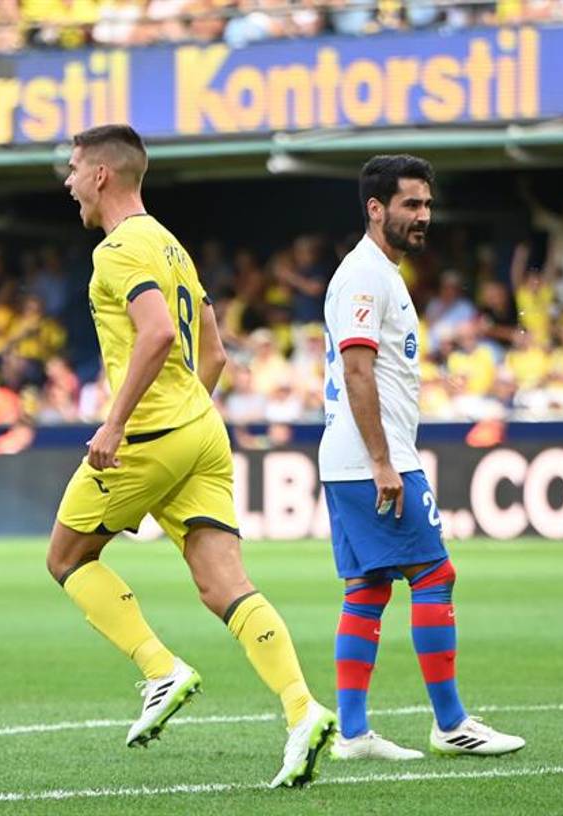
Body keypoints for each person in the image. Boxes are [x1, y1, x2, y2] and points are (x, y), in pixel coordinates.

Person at [47, 125, 337, 788]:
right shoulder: (171, 246)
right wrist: (190, 419)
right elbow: (214, 352)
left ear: (100, 176)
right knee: (225, 586)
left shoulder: (118, 250)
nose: (67, 182)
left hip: (150, 434)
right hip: (202, 430)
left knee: (66, 558)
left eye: (72, 169)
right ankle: (301, 710)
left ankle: (160, 669)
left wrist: (116, 426)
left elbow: (153, 334)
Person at [320, 155, 525, 760]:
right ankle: (452, 723)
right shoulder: (365, 275)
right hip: (371, 459)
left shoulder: (380, 273)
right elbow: (357, 371)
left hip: (352, 457)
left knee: (368, 588)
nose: (423, 216)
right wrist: (385, 462)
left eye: (428, 205)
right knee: (435, 575)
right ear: (375, 209)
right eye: (411, 204)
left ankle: (354, 734)